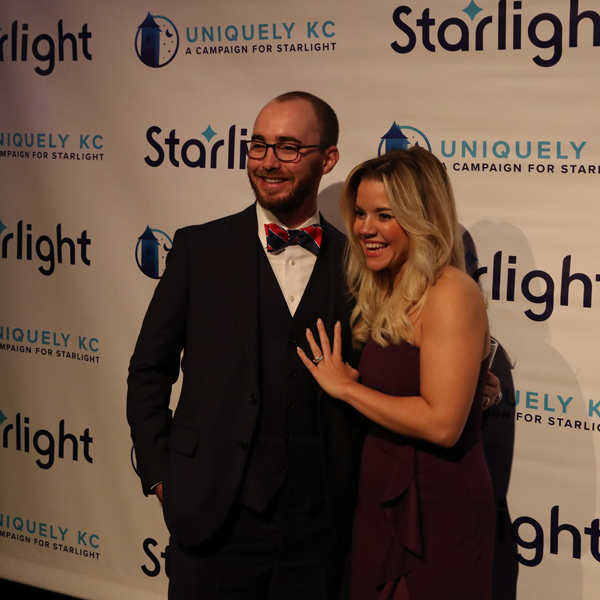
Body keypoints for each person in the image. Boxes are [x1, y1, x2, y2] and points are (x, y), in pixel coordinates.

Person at [127, 91, 365, 600]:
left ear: (328, 158)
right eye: (258, 146)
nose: (268, 162)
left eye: (287, 147)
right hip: (211, 518)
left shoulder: (359, 265)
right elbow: (149, 369)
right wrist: (163, 476)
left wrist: (480, 382)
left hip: (318, 531)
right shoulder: (199, 249)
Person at [298, 147, 496, 600]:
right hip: (380, 498)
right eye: (361, 213)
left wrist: (347, 389)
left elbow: (443, 425)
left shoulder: (450, 292)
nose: (365, 228)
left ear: (421, 217)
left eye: (384, 215)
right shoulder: (389, 286)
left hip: (436, 509)